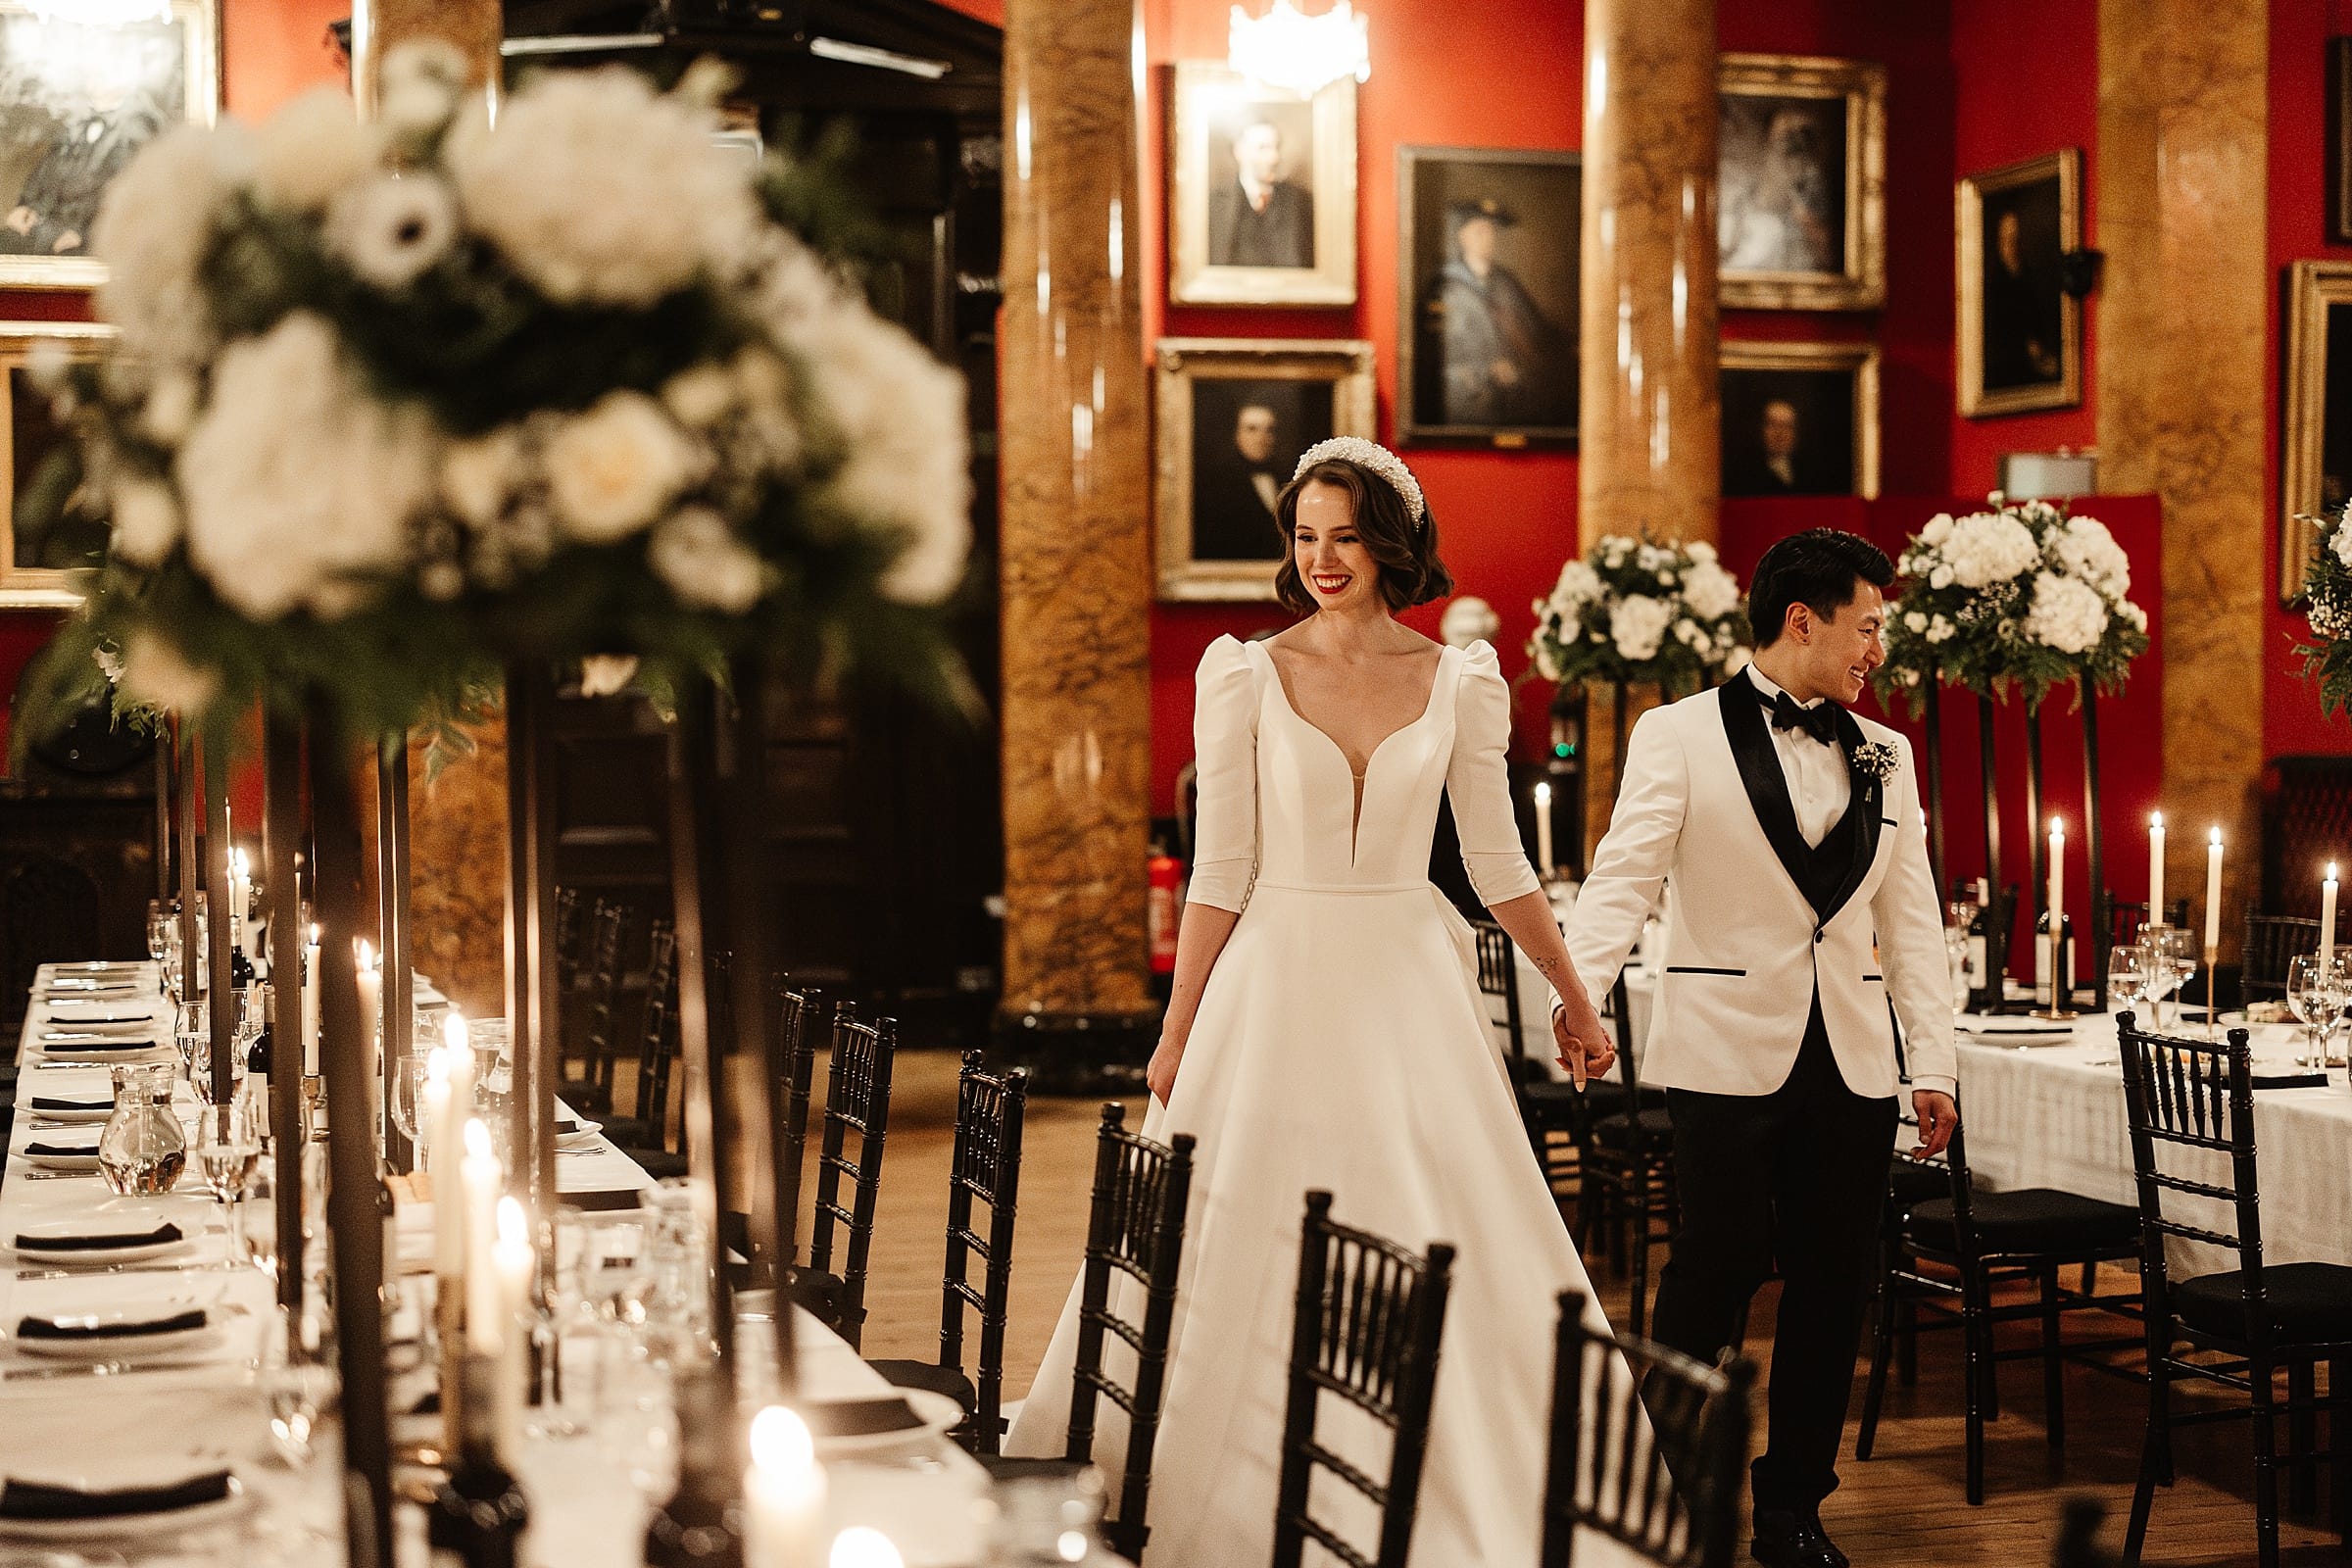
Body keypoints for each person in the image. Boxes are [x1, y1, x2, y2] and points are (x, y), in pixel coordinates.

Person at [1005, 436, 1619, 1565]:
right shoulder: (1243, 671)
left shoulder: (1457, 679)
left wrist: (1574, 996)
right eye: (1305, 537)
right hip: (1271, 983)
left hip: (1406, 989)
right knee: (1235, 1222)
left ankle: (1444, 1487)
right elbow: (1221, 870)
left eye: (1344, 536)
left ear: (1390, 545)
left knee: (1428, 1224)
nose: (1323, 559)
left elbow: (1498, 864)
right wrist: (1176, 1028)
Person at [1565, 528, 1959, 1568]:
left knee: (1838, 1283)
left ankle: (1791, 1506)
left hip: (1853, 1064)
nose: (1879, 649)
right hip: (1722, 1053)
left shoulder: (1888, 753)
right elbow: (1624, 877)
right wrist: (1577, 995)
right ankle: (1648, 1482)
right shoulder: (1678, 735)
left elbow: (1912, 921)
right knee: (1715, 1266)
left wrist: (1935, 1061)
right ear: (1804, 619)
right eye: (1868, 625)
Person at [1430, 198, 1572, 428]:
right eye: (1480, 232)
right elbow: (1441, 356)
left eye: (1492, 232)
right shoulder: (1446, 287)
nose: (1489, 239)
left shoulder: (1506, 283)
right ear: (1463, 237)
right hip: (1470, 402)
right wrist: (1487, 369)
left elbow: (1537, 330)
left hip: (1515, 396)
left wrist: (1572, 344)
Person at [1205, 118, 1314, 269]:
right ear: (1239, 152)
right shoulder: (1213, 204)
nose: (1274, 158)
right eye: (1263, 148)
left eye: (1276, 148)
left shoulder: (1302, 203)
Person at [1191, 399, 1286, 561]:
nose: (1261, 437)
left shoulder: (1288, 475)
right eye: (1252, 429)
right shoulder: (1216, 484)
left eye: (1269, 430)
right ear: (1236, 433)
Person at [1982, 206, 2061, 389]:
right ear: (1999, 242)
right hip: (2008, 371)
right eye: (2007, 240)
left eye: (2016, 239)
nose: (2012, 245)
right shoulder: (1993, 286)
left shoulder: (2033, 279)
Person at [1727, 396, 1806, 496]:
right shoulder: (1742, 471)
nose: (1780, 433)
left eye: (1787, 426)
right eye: (1773, 424)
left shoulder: (1811, 470)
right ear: (1760, 429)